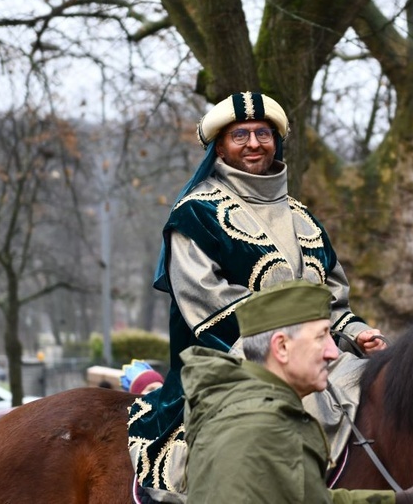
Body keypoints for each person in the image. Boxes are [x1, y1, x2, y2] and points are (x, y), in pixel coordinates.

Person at [128, 91, 387, 500]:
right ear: (220, 145)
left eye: (262, 133)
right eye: (240, 135)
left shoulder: (305, 219)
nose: (253, 143)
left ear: (276, 140)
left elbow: (332, 303)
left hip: (315, 357)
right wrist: (286, 354)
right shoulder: (195, 215)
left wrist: (356, 333)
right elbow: (209, 309)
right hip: (232, 364)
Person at [181, 280, 413, 503]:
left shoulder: (261, 411)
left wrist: (399, 500)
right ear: (281, 348)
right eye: (321, 337)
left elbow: (309, 498)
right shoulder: (258, 427)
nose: (332, 352)